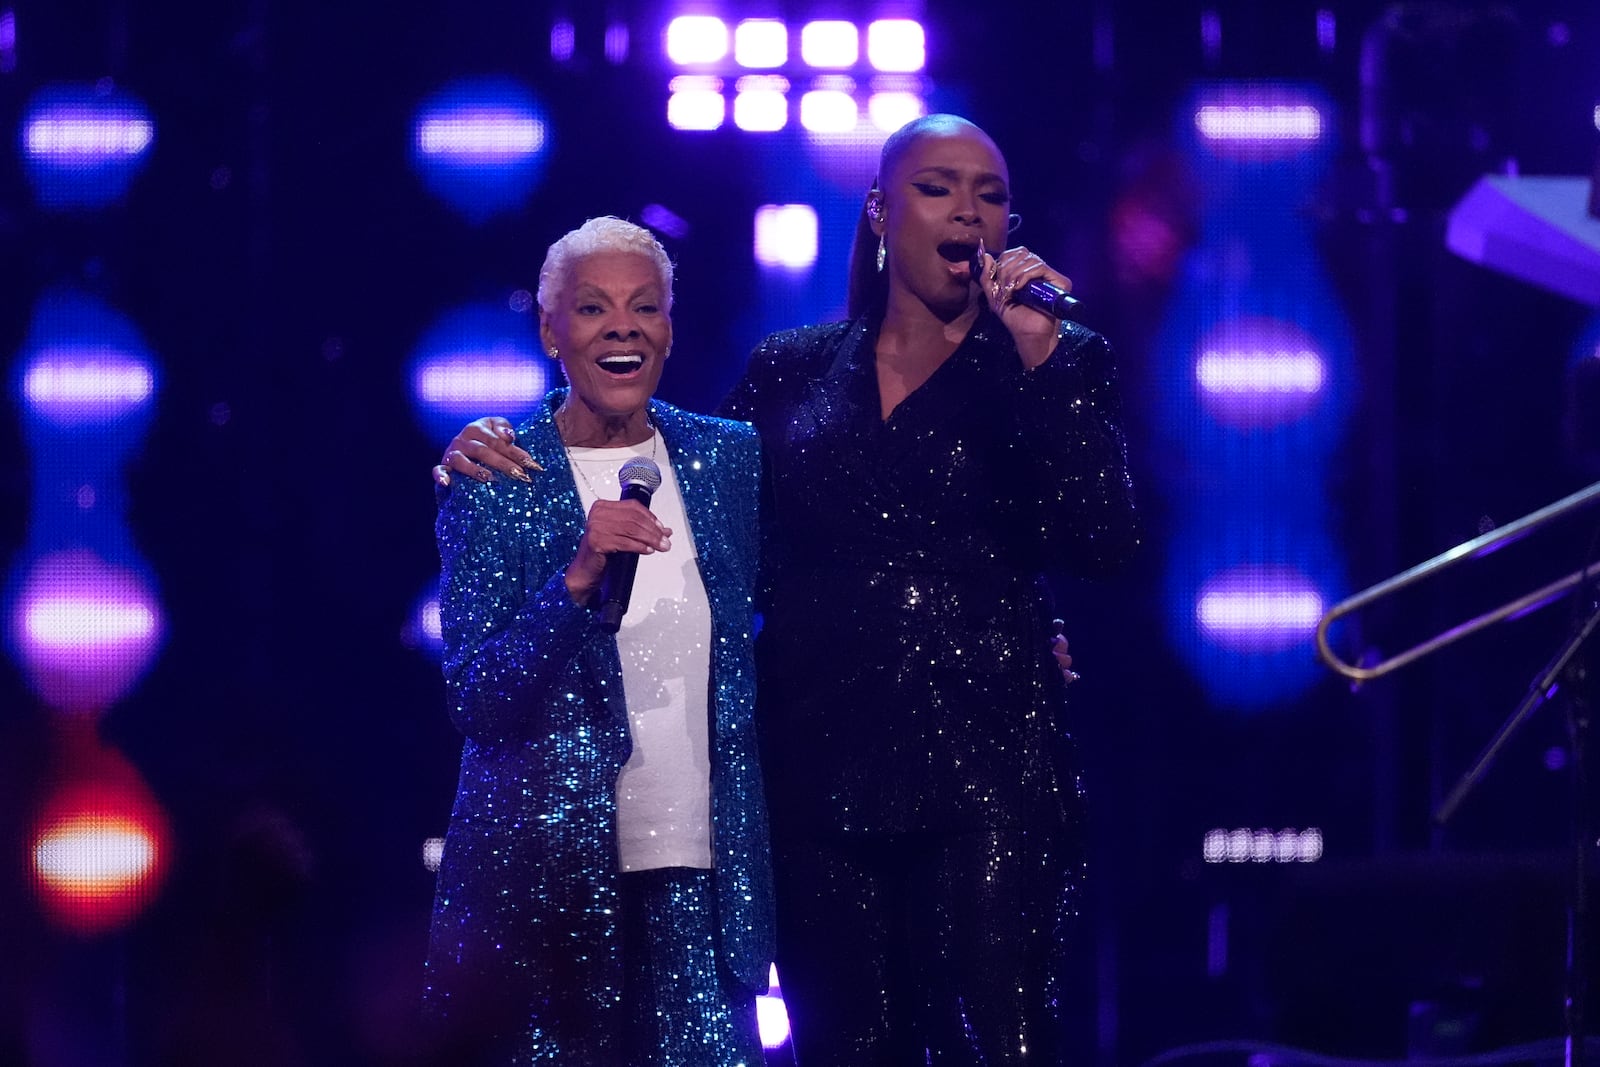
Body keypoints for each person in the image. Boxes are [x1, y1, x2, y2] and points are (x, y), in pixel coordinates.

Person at [436, 114, 1138, 1065]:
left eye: (991, 193)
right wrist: (498, 440)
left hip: (987, 774)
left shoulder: (1049, 360)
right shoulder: (794, 369)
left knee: (993, 1040)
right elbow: (700, 518)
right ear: (884, 211)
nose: (969, 209)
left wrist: (1042, 358)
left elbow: (1103, 539)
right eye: (939, 186)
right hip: (816, 783)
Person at [422, 216, 773, 1066]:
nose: (622, 326)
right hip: (544, 897)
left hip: (701, 884)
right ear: (551, 331)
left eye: (643, 307)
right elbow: (479, 698)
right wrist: (577, 579)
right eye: (592, 308)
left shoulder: (727, 461)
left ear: (669, 329)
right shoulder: (498, 478)